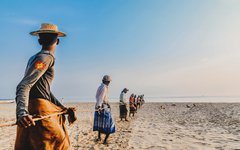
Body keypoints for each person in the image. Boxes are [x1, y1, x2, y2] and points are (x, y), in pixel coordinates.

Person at [15, 23, 76, 150]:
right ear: (58, 41)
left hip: (33, 110)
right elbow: (24, 85)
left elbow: (44, 90)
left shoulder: (34, 58)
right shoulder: (46, 58)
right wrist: (22, 113)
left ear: (39, 40)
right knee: (61, 143)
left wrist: (62, 108)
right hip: (39, 111)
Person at [93, 75, 115, 144]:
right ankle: (105, 140)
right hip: (102, 107)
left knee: (100, 123)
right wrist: (100, 106)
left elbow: (97, 97)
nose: (109, 83)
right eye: (108, 81)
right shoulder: (104, 88)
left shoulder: (100, 87)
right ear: (106, 81)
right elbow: (101, 98)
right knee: (109, 123)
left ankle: (99, 138)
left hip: (99, 106)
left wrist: (100, 105)